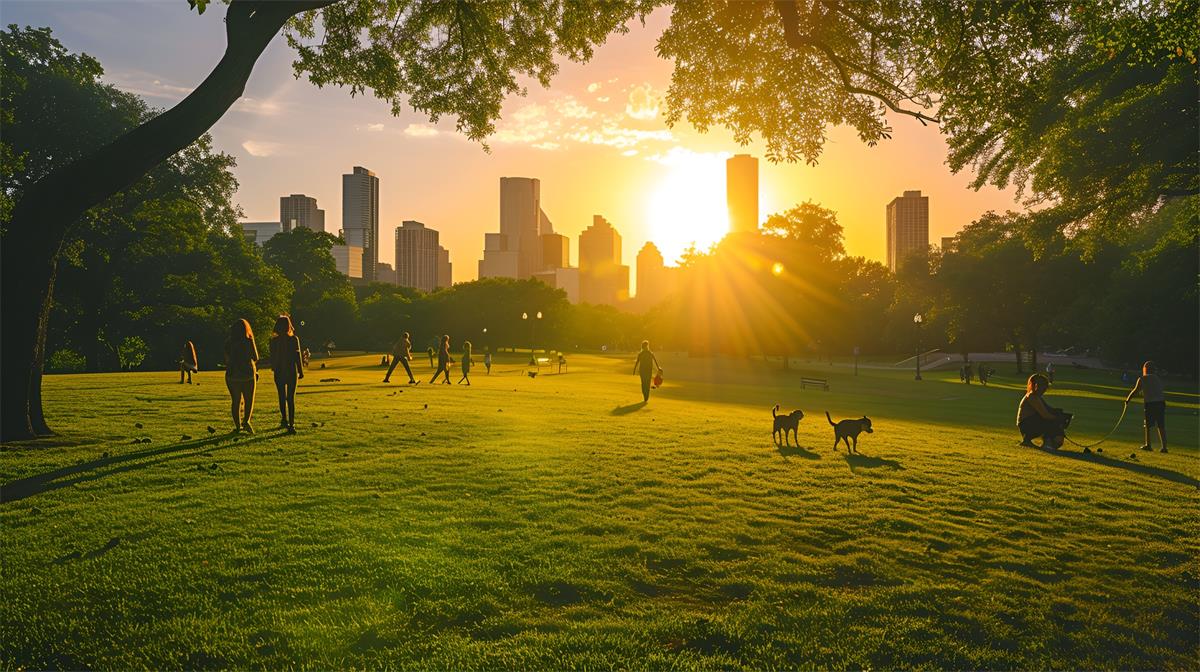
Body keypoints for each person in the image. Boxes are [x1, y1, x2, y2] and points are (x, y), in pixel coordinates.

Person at [269, 315, 304, 434]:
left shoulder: (274, 341)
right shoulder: (294, 339)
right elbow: (297, 357)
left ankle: (284, 419)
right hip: (291, 371)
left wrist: (274, 367)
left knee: (281, 396)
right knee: (290, 398)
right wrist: (300, 371)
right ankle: (292, 423)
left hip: (279, 371)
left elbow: (272, 357)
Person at [224, 319, 259, 433]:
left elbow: (226, 359)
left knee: (236, 401)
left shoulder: (229, 342)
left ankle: (238, 426)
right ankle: (246, 421)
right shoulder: (248, 341)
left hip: (232, 374)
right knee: (249, 400)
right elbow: (255, 356)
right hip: (247, 373)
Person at [1125, 360, 1167, 453]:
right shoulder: (1156, 378)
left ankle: (1148, 445)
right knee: (1161, 425)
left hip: (1150, 404)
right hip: (1161, 403)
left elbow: (1136, 391)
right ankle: (1164, 447)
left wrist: (1128, 399)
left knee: (1148, 425)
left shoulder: (1142, 379)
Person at [1016, 374, 1067, 449]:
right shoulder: (1032, 397)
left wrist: (1058, 413)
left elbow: (1048, 410)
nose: (1045, 390)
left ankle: (1050, 443)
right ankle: (1048, 443)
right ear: (1037, 386)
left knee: (1053, 421)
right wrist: (1057, 419)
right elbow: (1045, 415)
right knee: (1050, 422)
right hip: (1026, 425)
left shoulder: (1036, 397)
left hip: (1029, 423)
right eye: (1044, 387)